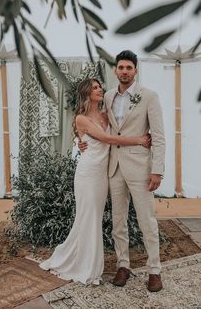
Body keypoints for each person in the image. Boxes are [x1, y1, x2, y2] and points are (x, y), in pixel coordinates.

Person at [39, 78, 151, 285]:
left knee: (95, 218)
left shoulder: (105, 114)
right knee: (88, 217)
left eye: (100, 87)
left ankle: (85, 260)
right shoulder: (81, 118)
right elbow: (108, 139)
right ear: (86, 93)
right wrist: (139, 140)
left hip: (103, 174)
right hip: (87, 173)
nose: (100, 90)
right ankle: (86, 266)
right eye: (95, 88)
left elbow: (118, 129)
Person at [104, 50, 165, 292]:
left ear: (136, 70)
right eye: (121, 67)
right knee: (118, 220)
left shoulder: (149, 96)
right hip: (114, 166)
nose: (125, 72)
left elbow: (158, 137)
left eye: (129, 68)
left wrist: (157, 170)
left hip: (141, 168)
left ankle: (154, 270)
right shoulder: (108, 97)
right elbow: (102, 127)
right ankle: (123, 265)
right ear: (115, 70)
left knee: (146, 220)